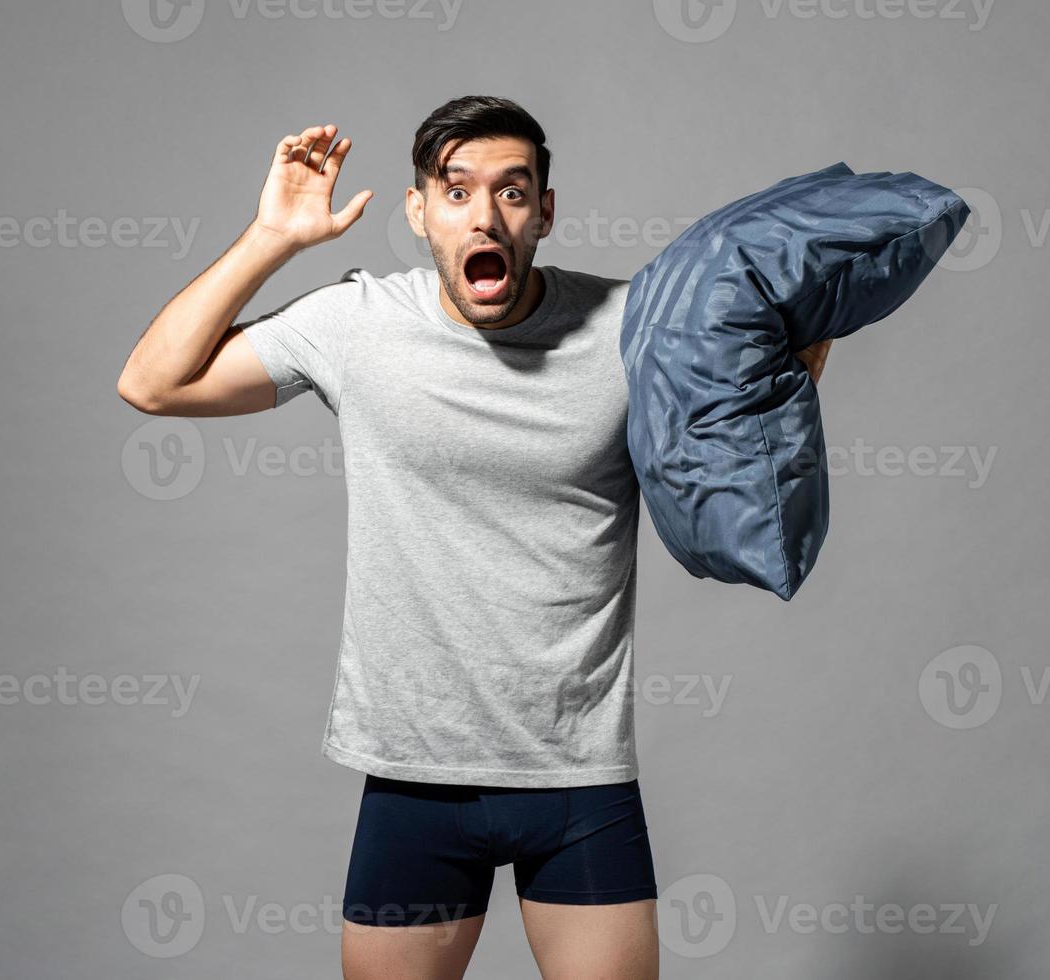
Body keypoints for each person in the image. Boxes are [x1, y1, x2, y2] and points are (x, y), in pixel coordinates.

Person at [117, 95, 831, 980]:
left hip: (581, 778)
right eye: (456, 193)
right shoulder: (357, 325)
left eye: (512, 191)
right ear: (419, 212)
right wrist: (274, 238)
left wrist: (798, 343)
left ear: (546, 211)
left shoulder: (630, 333)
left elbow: (755, 431)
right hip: (414, 778)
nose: (484, 215)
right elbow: (151, 383)